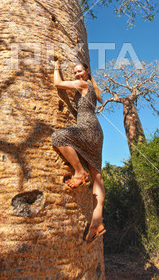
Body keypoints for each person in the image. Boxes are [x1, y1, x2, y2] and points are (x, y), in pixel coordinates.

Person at [51, 59, 106, 242]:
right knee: (97, 177)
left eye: (79, 71)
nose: (76, 75)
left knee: (58, 137)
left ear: (87, 71)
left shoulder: (84, 84)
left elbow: (58, 84)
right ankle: (97, 222)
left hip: (88, 129)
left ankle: (79, 172)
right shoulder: (91, 88)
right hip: (96, 132)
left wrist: (56, 65)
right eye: (74, 73)